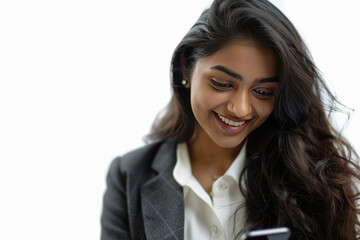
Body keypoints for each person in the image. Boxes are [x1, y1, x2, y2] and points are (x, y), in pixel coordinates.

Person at [100, 0, 360, 239]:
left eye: (263, 92)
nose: (241, 109)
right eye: (222, 83)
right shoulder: (128, 176)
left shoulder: (311, 177)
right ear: (186, 68)